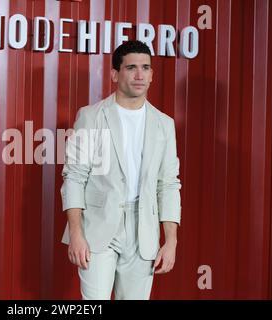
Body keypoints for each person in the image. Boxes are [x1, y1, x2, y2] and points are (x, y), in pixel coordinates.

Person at [60, 40, 182, 300]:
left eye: (145, 68)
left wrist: (170, 240)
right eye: (131, 68)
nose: (139, 75)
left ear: (152, 75)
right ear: (115, 74)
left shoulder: (164, 124)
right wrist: (76, 233)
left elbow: (168, 184)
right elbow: (74, 176)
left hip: (144, 233)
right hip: (98, 228)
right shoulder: (91, 116)